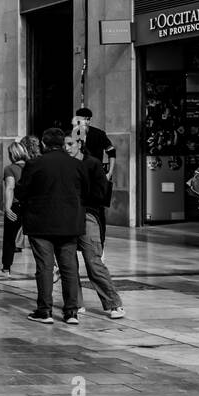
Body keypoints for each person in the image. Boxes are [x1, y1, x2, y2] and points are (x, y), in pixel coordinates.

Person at [15, 127, 88, 325]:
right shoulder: (77, 165)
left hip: (41, 223)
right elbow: (87, 193)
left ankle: (44, 310)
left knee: (45, 268)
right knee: (69, 268)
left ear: (44, 144)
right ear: (63, 144)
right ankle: (71, 312)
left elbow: (21, 192)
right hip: (69, 224)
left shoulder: (34, 164)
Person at [66, 131, 125, 319]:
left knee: (93, 261)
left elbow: (100, 194)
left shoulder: (92, 164)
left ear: (80, 144)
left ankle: (114, 303)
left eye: (70, 144)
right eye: (64, 145)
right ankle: (76, 303)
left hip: (87, 214)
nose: (67, 148)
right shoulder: (65, 165)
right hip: (67, 216)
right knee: (68, 263)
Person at [74, 107, 116, 246]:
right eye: (82, 119)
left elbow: (111, 152)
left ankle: (100, 241)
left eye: (87, 119)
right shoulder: (72, 135)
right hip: (78, 175)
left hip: (94, 176)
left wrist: (109, 173)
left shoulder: (98, 134)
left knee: (98, 209)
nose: (85, 122)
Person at [0, 139, 31, 279]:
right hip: (31, 207)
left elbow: (10, 187)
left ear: (12, 155)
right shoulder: (31, 167)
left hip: (16, 206)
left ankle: (6, 269)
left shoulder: (10, 169)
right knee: (36, 239)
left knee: (9, 238)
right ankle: (51, 267)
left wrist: (7, 207)